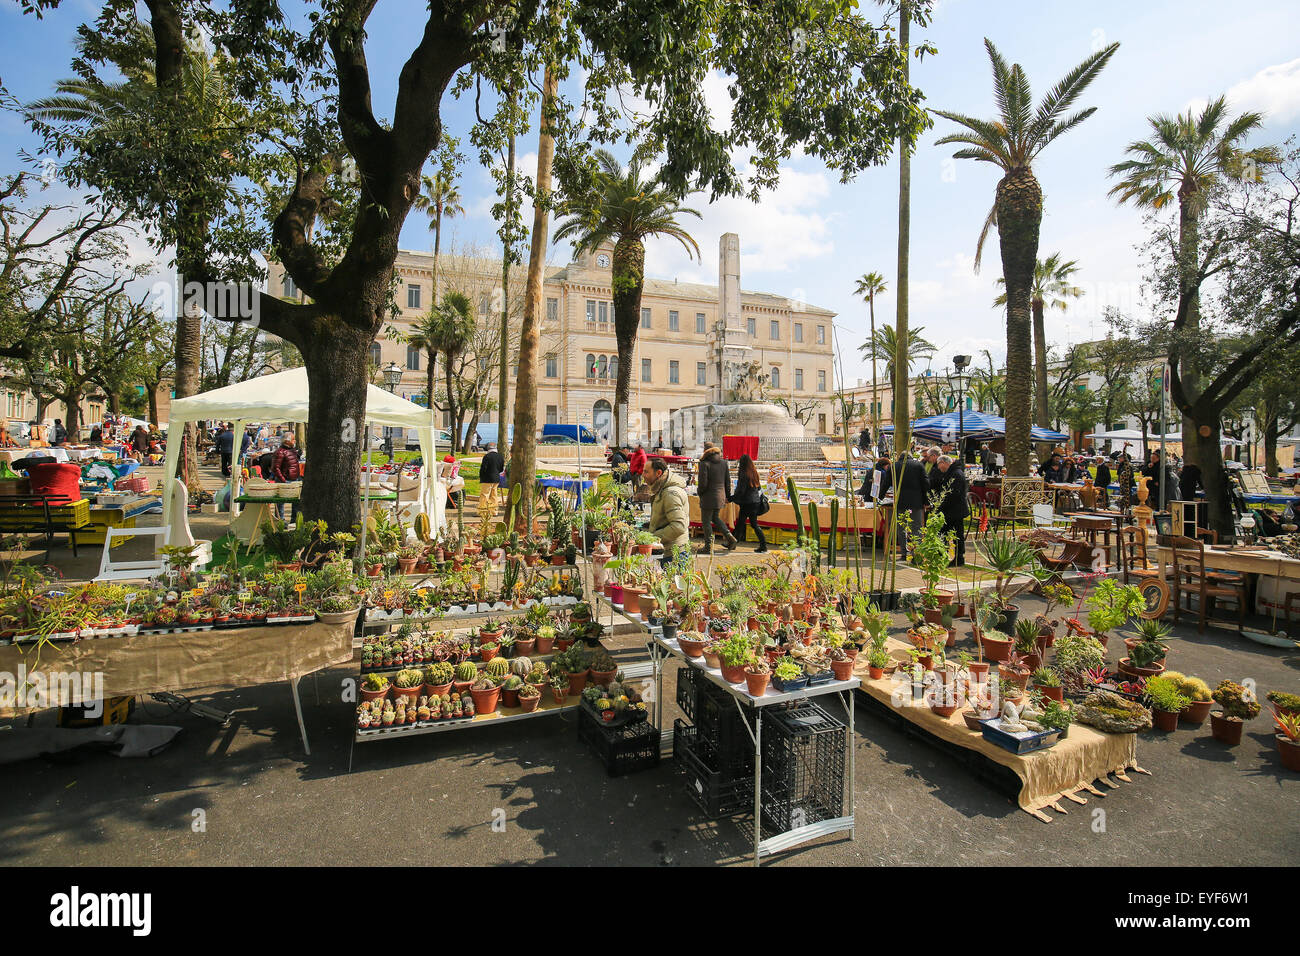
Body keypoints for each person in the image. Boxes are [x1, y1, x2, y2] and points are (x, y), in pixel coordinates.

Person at [645, 457, 688, 562]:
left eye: (646, 472)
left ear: (658, 473)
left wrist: (652, 537)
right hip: (667, 550)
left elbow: (679, 526)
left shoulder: (670, 493)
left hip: (673, 553)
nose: (643, 475)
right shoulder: (661, 489)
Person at [696, 442, 737, 553]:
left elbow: (702, 483)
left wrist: (699, 492)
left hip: (708, 497)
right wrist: (727, 496)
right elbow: (727, 482)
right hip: (720, 496)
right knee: (715, 518)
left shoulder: (704, 463)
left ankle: (708, 547)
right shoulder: (723, 463)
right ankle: (731, 538)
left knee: (706, 521)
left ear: (705, 451)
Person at [933, 454, 970, 566]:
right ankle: (947, 555)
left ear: (944, 463)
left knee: (953, 534)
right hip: (953, 510)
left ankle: (955, 557)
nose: (939, 468)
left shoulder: (955, 474)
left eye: (939, 465)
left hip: (954, 510)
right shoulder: (954, 472)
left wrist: (941, 505)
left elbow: (953, 494)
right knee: (951, 533)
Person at [729, 453, 767, 552]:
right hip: (755, 501)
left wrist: (731, 498)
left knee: (742, 524)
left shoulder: (743, 473)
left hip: (747, 502)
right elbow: (758, 488)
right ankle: (763, 545)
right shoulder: (754, 472)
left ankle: (732, 543)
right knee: (748, 524)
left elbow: (741, 490)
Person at [894, 452, 928, 558]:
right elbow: (926, 483)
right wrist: (926, 500)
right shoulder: (918, 465)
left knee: (901, 527)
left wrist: (879, 496)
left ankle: (904, 553)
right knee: (916, 527)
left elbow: (887, 482)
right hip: (916, 501)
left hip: (901, 501)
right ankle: (916, 553)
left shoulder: (895, 466)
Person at [270, 433, 303, 519]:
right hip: (285, 480)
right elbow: (275, 468)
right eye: (293, 439)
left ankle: (294, 519)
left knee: (296, 502)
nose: (294, 441)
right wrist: (283, 479)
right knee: (281, 503)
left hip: (294, 479)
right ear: (287, 441)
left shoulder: (292, 450)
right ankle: (281, 521)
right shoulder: (280, 452)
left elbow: (292, 462)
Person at [478, 441, 504, 516]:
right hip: (496, 478)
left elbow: (483, 468)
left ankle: (483, 511)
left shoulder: (487, 456)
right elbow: (501, 469)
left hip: (487, 478)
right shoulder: (500, 456)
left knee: (484, 494)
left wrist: (481, 476)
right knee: (494, 495)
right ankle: (494, 511)